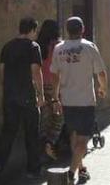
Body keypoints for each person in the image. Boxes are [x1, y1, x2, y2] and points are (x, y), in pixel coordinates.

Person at [0, 18, 45, 184]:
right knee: (32, 134)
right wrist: (40, 95)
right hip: (28, 97)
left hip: (10, 97)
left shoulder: (7, 46)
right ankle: (33, 170)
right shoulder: (33, 47)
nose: (36, 34)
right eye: (36, 31)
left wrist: (8, 90)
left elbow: (2, 72)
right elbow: (36, 72)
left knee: (7, 134)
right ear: (32, 30)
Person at [51, 17, 108, 185]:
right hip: (85, 101)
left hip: (68, 101)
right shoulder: (89, 47)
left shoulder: (58, 49)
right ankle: (70, 174)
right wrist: (103, 88)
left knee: (74, 137)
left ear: (67, 30)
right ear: (82, 29)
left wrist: (55, 98)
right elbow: (101, 73)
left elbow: (55, 75)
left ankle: (82, 169)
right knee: (82, 141)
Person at [37, 19, 64, 159]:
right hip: (55, 85)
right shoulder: (59, 46)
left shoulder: (38, 46)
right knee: (59, 117)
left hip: (40, 85)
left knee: (44, 117)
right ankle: (50, 142)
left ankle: (42, 145)